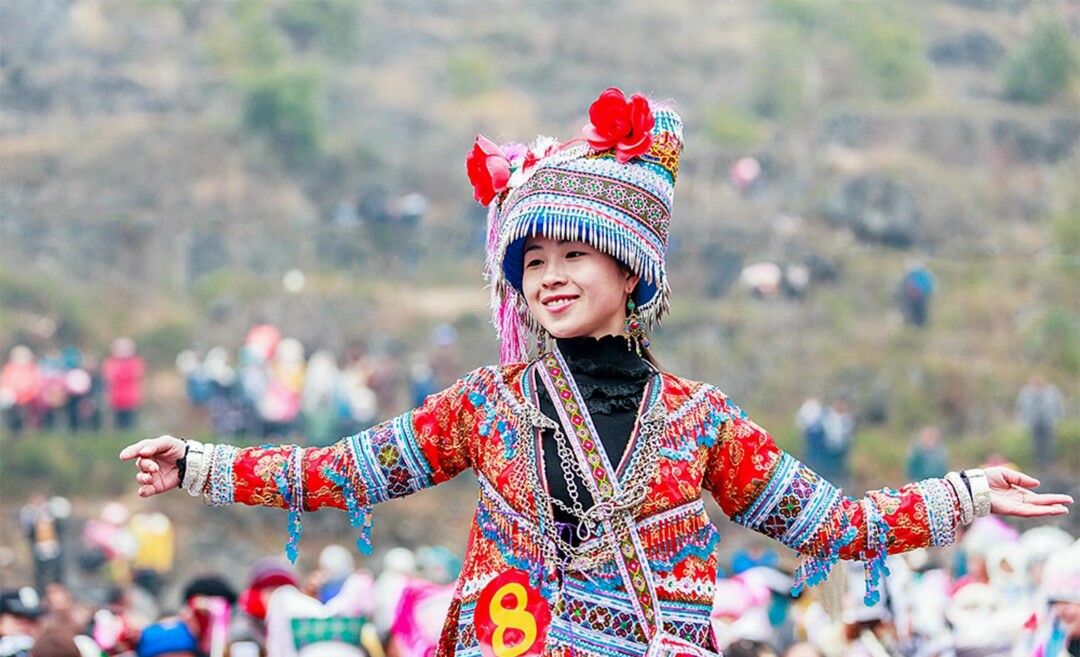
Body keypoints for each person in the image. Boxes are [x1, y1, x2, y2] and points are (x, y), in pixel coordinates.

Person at [120, 87, 1072, 657]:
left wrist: (968, 494)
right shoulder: (486, 405)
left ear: (630, 269)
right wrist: (199, 462)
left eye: (572, 256)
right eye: (531, 264)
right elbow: (339, 471)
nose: (550, 278)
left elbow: (833, 524)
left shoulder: (702, 421)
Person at [1016, 374, 1065, 478]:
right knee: (1036, 446)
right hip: (1034, 424)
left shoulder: (1051, 393)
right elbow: (1021, 408)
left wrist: (1057, 419)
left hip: (1048, 423)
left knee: (1049, 445)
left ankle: (1050, 466)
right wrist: (1024, 422)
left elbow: (1059, 407)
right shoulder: (1026, 394)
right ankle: (1038, 466)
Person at [102, 337, 145, 431]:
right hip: (116, 398)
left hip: (131, 398)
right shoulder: (111, 362)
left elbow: (136, 375)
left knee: (130, 423)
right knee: (118, 423)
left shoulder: (135, 362)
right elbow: (110, 377)